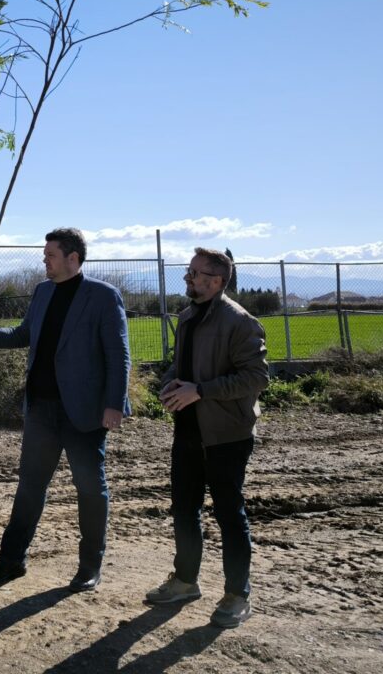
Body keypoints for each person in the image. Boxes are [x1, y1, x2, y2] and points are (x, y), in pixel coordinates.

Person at [0, 227, 130, 592]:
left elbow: (118, 354)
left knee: (90, 488)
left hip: (84, 412)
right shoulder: (42, 292)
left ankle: (90, 566)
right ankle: (11, 561)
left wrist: (113, 405)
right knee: (29, 487)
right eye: (45, 256)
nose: (45, 261)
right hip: (41, 409)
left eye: (51, 256)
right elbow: (25, 334)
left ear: (73, 258)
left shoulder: (103, 297)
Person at [144, 247, 269, 629]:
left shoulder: (240, 322)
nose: (188, 277)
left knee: (230, 515)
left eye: (195, 273)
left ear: (215, 282)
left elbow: (257, 378)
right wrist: (170, 384)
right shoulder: (188, 318)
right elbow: (181, 367)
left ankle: (237, 594)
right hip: (188, 430)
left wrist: (201, 390)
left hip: (226, 436)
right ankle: (185, 581)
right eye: (189, 270)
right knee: (184, 509)